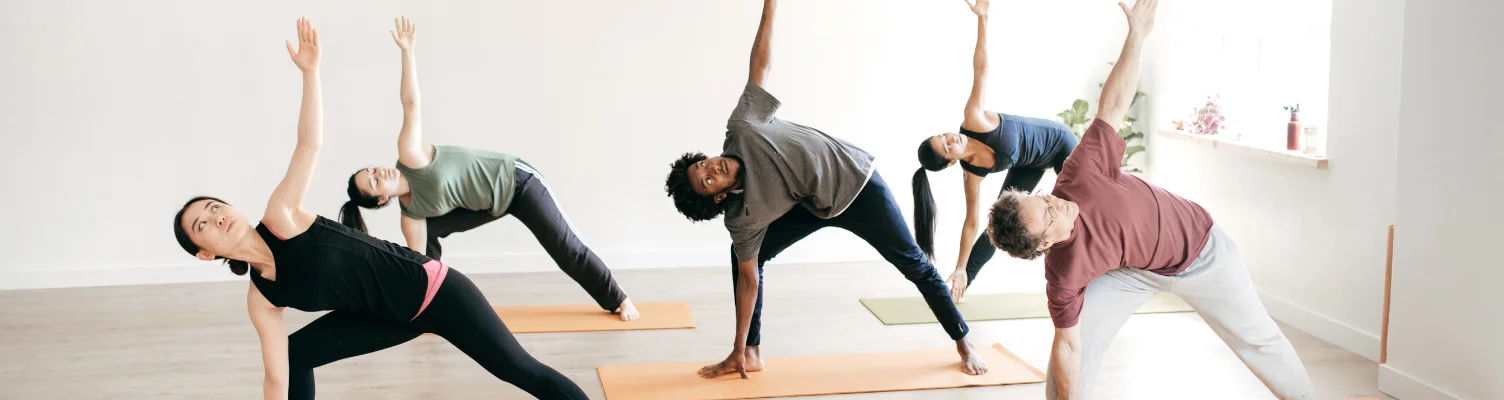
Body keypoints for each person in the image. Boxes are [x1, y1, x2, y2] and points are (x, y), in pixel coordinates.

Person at [170, 18, 588, 400]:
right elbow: (275, 378)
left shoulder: (280, 216)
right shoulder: (261, 299)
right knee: (293, 355)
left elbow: (309, 145)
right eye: (202, 224)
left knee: (520, 371)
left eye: (213, 206)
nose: (216, 216)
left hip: (436, 292)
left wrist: (311, 74)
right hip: (390, 317)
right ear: (205, 252)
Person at [980, 1, 1314, 398]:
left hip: (1204, 252)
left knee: (1258, 341)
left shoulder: (1079, 175)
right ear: (1046, 244)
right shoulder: (1064, 273)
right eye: (1050, 216)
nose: (1058, 203)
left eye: (1044, 199)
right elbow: (1067, 345)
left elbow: (1113, 106)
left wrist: (1137, 33)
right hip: (1134, 271)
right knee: (1075, 346)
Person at [662, 0, 989, 379]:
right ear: (717, 196)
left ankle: (963, 341)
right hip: (816, 203)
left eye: (703, 165)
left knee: (913, 264)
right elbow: (748, 279)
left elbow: (760, 65)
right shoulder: (742, 220)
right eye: (707, 181)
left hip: (858, 183)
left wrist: (770, 5)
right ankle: (749, 352)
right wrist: (733, 347)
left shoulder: (742, 128)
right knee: (745, 258)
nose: (711, 169)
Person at [339, 18, 639, 321]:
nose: (381, 173)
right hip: (489, 205)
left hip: (517, 183)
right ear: (380, 201)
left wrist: (407, 52)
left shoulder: (410, 155)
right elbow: (419, 265)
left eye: (373, 170)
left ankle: (619, 299)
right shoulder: (412, 218)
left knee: (565, 249)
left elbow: (411, 104)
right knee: (424, 251)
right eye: (375, 182)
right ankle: (434, 309)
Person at [911, 0, 1079, 304]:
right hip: (1030, 164)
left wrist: (983, 19)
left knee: (1075, 206)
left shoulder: (974, 119)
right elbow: (972, 223)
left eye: (943, 135)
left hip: (1059, 142)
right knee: (999, 224)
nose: (951, 138)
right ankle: (961, 285)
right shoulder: (971, 175)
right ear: (951, 163)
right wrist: (960, 267)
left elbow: (981, 68)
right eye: (947, 147)